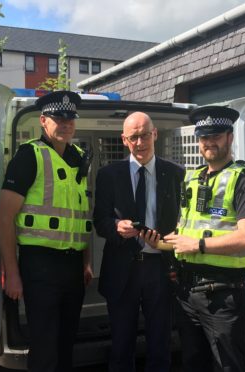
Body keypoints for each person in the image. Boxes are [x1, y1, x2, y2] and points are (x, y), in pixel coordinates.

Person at [145, 106, 245, 372]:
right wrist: (159, 243)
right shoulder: (192, 177)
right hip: (187, 293)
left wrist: (197, 245)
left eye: (216, 135)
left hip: (222, 295)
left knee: (230, 365)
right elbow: (185, 234)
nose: (209, 142)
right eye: (203, 137)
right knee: (193, 363)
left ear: (229, 137)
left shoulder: (244, 179)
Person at [0, 90, 94, 372]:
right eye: (58, 118)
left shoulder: (78, 158)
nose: (65, 124)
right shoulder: (30, 156)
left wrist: (86, 262)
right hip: (40, 266)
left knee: (66, 343)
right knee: (44, 346)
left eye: (70, 118)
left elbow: (80, 215)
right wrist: (12, 274)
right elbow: (4, 219)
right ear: (43, 121)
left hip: (73, 267)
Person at [93, 112, 184, 372]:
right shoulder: (108, 175)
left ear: (154, 134)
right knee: (121, 346)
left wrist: (171, 238)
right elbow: (99, 220)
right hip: (122, 270)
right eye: (133, 137)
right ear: (124, 140)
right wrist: (115, 226)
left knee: (160, 343)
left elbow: (185, 220)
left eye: (144, 135)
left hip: (161, 269)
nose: (140, 142)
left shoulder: (175, 174)